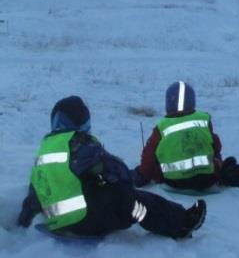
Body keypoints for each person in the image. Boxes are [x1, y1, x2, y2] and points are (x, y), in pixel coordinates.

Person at [17, 95, 206, 239]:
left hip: (57, 223)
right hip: (86, 221)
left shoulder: (43, 150)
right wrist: (124, 182)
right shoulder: (78, 142)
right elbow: (117, 172)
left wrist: (23, 221)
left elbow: (35, 194)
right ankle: (181, 223)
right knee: (134, 201)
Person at [133, 81, 222, 190]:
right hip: (207, 180)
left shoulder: (162, 127)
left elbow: (148, 156)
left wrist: (143, 174)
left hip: (175, 182)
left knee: (150, 166)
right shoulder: (203, 119)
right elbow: (216, 145)